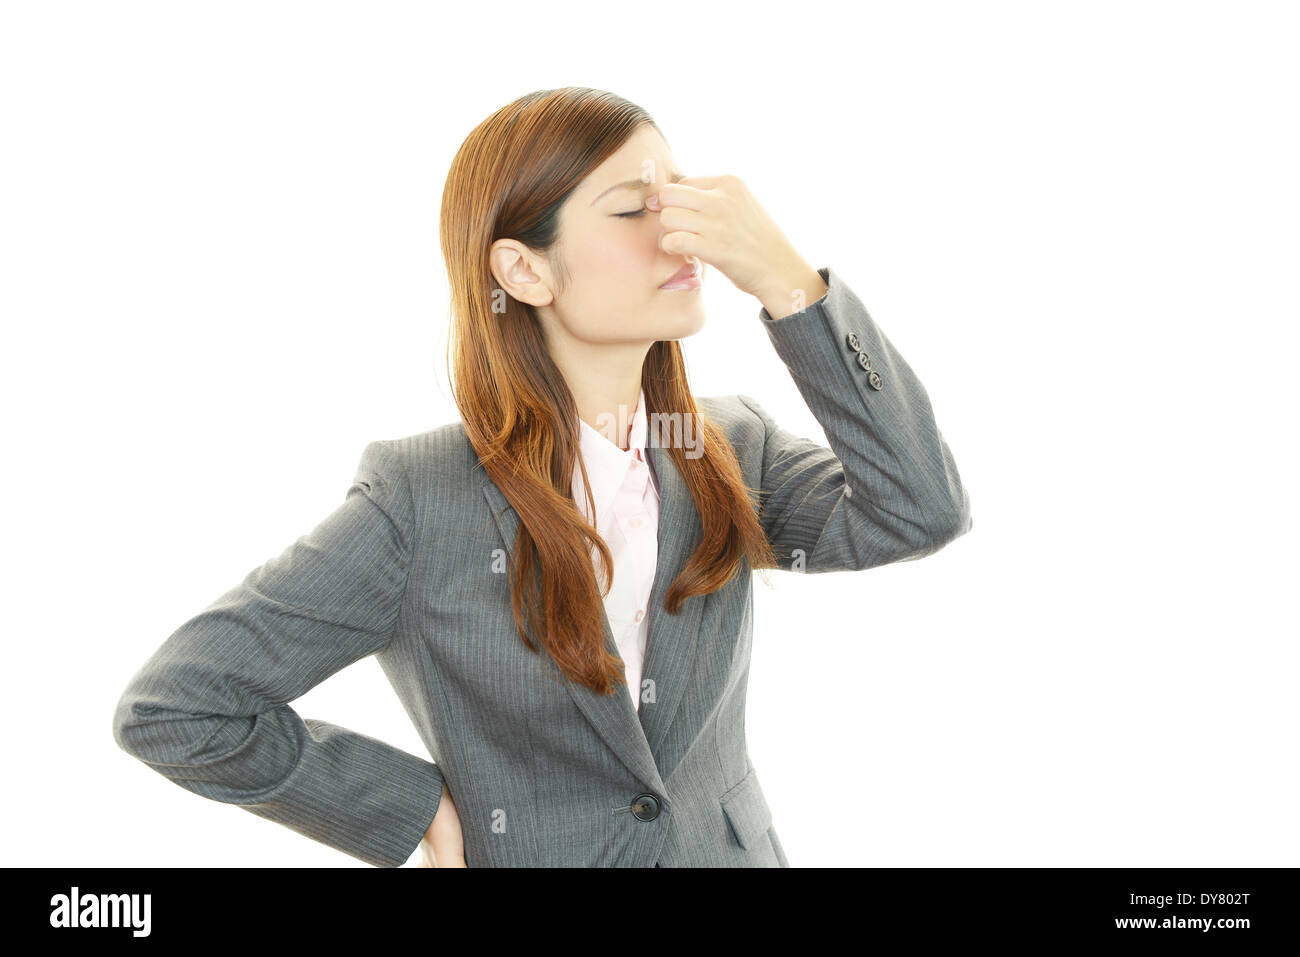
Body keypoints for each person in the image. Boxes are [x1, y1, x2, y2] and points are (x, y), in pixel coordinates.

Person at [113, 87, 972, 867]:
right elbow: (180, 704)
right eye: (637, 207)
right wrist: (414, 810)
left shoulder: (730, 447)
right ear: (523, 271)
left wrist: (789, 283)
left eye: (681, 200)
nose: (681, 233)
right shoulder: (420, 500)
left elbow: (919, 509)